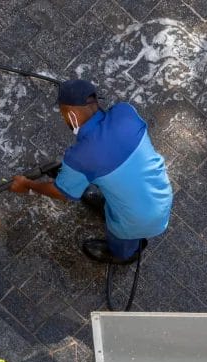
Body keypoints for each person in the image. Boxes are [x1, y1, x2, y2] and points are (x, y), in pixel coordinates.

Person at [10, 79, 173, 264]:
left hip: (140, 221)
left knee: (119, 233)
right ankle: (109, 206)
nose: (63, 118)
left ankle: (124, 254)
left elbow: (63, 193)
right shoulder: (125, 111)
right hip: (162, 195)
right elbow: (109, 154)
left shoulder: (80, 157)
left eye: (63, 113)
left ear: (70, 113)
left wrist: (28, 185)